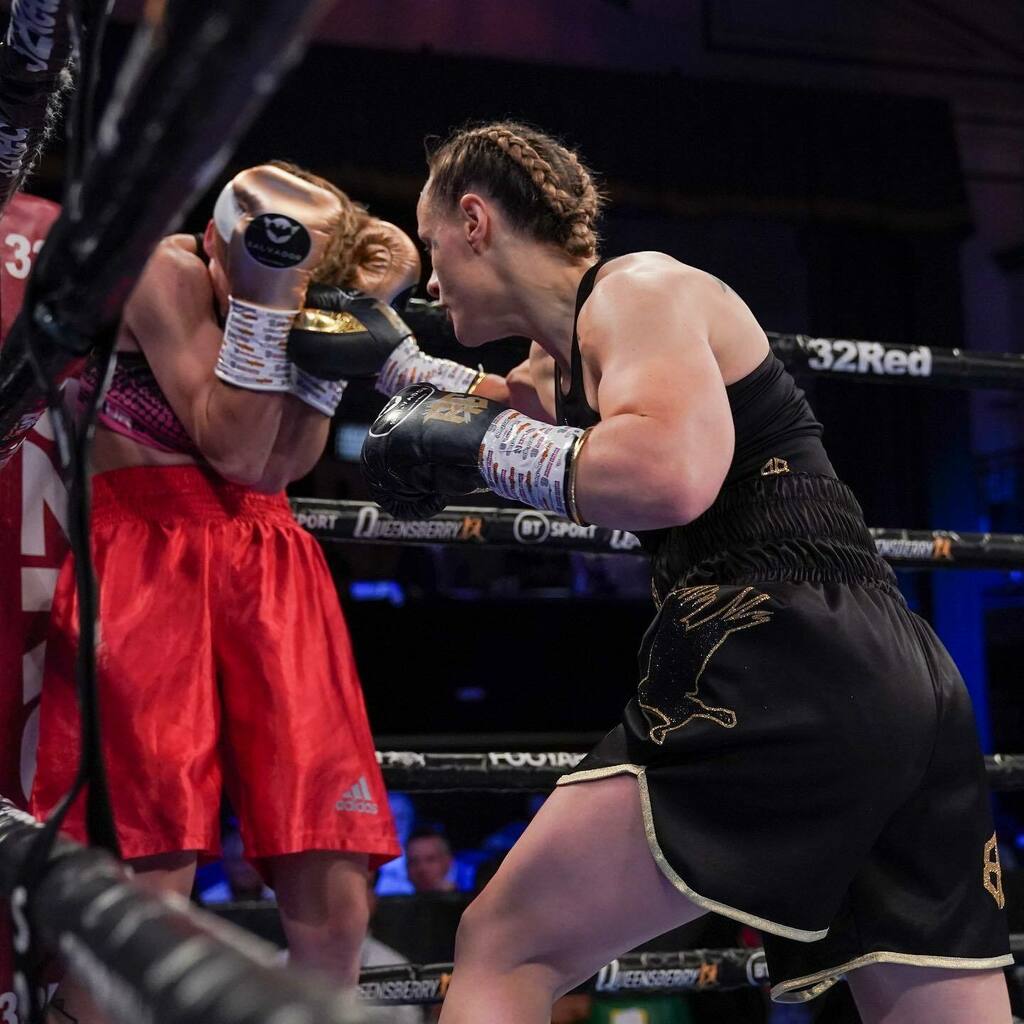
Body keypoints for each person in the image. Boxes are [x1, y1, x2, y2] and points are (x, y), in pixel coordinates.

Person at [359, 121, 1013, 1023]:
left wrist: (481, 444)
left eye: (433, 247)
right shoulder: (571, 359)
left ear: (475, 221)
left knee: (503, 946)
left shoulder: (641, 290)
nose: (431, 282)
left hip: (781, 651)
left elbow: (666, 474)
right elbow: (497, 409)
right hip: (896, 678)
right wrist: (372, 357)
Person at [30, 162, 416, 1019]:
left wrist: (336, 318)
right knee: (147, 893)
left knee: (336, 901)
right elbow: (235, 444)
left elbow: (284, 464)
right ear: (218, 238)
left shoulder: (313, 285)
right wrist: (273, 300)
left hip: (272, 560)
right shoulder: (164, 270)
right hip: (146, 561)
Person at [406, 828, 457, 894]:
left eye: (430, 860)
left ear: (448, 862)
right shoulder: (395, 902)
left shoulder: (469, 901)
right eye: (414, 861)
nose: (422, 868)